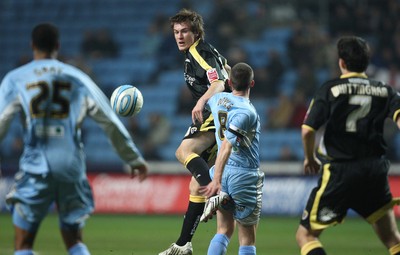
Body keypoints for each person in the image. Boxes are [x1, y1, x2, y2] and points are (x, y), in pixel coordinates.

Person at [0, 23, 149, 255]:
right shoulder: (77, 77)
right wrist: (133, 158)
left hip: (36, 164)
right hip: (71, 166)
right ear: (58, 46)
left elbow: (2, 120)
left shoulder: (16, 78)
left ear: (32, 46)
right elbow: (109, 120)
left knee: (23, 243)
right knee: (74, 240)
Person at [296, 36, 400, 255]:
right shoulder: (384, 90)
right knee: (393, 239)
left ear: (341, 62)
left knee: (306, 235)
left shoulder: (331, 89)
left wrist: (309, 158)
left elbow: (308, 130)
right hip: (374, 171)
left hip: (339, 171)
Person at [159, 9, 230, 255]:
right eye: (176, 32)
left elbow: (219, 83)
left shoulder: (199, 52)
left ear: (196, 32)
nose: (179, 36)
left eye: (185, 31)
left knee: (184, 150)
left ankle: (215, 193)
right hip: (221, 113)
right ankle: (183, 245)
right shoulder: (199, 52)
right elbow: (226, 72)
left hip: (217, 113)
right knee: (194, 186)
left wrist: (201, 102)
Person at [201, 62, 264, 255]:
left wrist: (225, 68)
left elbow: (217, 87)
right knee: (247, 238)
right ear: (252, 84)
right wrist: (216, 181)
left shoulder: (217, 99)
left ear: (229, 82)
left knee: (224, 229)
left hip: (223, 172)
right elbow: (228, 145)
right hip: (243, 175)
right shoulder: (247, 112)